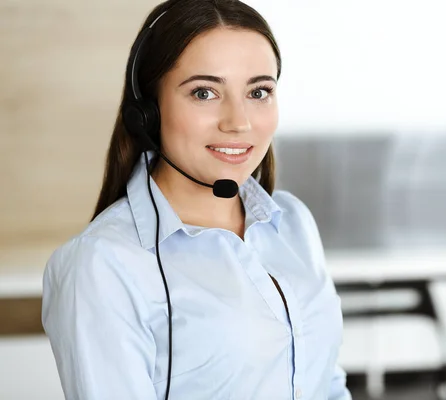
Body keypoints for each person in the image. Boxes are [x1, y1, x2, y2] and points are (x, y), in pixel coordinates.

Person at [41, 0, 352, 399]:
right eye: (204, 92)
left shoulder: (292, 221)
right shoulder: (102, 264)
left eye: (259, 92)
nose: (238, 121)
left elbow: (326, 382)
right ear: (149, 112)